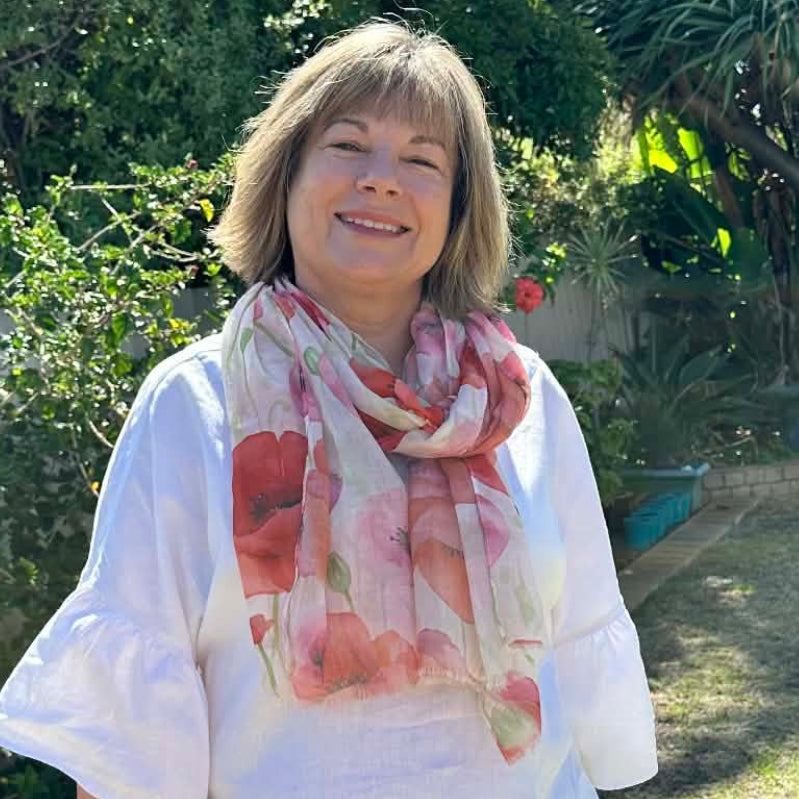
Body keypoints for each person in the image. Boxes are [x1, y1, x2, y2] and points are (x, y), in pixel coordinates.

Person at [0, 21, 658, 799]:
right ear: (286, 176)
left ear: (455, 207)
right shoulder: (194, 404)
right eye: (347, 145)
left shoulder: (518, 396)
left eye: (421, 160)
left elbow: (577, 641)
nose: (381, 179)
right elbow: (133, 746)